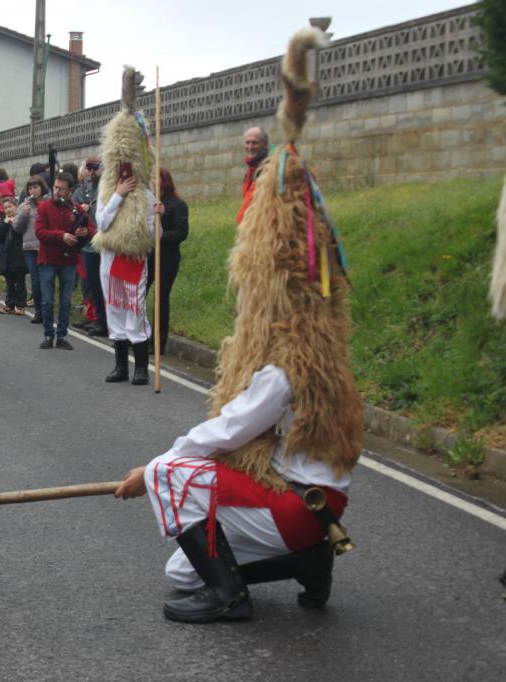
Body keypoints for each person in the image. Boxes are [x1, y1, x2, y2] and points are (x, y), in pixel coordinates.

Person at [114, 27, 360, 624]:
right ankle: (310, 563)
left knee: (178, 475)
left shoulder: (286, 367)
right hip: (324, 504)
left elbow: (225, 429)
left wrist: (152, 469)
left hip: (301, 505)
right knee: (182, 566)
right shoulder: (327, 352)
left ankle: (233, 597)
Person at [93, 69, 159, 384]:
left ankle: (141, 367)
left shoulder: (147, 195)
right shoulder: (106, 192)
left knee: (135, 311)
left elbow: (154, 236)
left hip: (133, 260)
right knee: (114, 312)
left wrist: (159, 214)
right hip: (109, 258)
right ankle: (120, 365)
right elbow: (102, 223)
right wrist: (118, 196)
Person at [34, 172, 89, 350]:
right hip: (48, 259)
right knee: (47, 301)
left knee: (66, 301)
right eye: (55, 187)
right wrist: (61, 236)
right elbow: (40, 232)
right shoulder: (44, 207)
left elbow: (90, 227)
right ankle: (48, 335)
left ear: (70, 190)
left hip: (69, 261)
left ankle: (62, 335)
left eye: (61, 189)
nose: (57, 192)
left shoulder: (76, 208)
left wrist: (85, 232)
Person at [150, 169, 189, 356]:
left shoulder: (178, 205)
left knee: (161, 298)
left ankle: (158, 342)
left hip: (167, 258)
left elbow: (181, 233)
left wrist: (163, 217)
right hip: (148, 255)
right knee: (139, 295)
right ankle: (141, 336)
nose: (152, 182)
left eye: (156, 179)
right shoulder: (149, 202)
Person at [74, 156, 107, 337]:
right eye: (89, 168)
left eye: (95, 168)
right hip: (88, 245)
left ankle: (104, 320)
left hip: (106, 243)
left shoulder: (107, 189)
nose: (92, 171)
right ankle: (98, 319)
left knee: (105, 285)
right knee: (92, 284)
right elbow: (74, 207)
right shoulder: (82, 190)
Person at [16, 175, 49, 325]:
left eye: (36, 187)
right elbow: (16, 227)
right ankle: (38, 311)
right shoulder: (24, 205)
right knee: (35, 280)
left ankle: (47, 308)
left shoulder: (48, 203)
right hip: (30, 247)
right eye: (30, 188)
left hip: (45, 246)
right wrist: (24, 214)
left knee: (46, 279)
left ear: (41, 188)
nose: (33, 190)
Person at [0, 196, 28, 314]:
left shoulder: (20, 220)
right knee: (9, 283)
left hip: (18, 255)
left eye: (10, 207)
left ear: (16, 207)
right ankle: (9, 304)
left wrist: (14, 223)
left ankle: (21, 305)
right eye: (5, 207)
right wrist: (4, 223)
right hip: (6, 256)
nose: (8, 210)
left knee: (20, 282)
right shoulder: (3, 222)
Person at [237, 127, 269, 225]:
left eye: (255, 143)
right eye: (247, 143)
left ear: (265, 145)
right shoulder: (251, 170)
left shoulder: (268, 169)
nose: (250, 147)